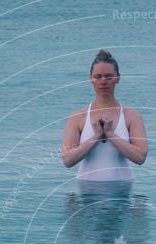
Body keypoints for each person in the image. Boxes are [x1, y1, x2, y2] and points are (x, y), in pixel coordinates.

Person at [61, 50, 148, 181]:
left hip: (122, 191)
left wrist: (110, 134)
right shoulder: (77, 117)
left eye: (109, 77)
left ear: (117, 78)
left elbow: (140, 158)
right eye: (98, 77)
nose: (103, 81)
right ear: (91, 79)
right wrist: (96, 136)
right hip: (87, 190)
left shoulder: (131, 115)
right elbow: (68, 161)